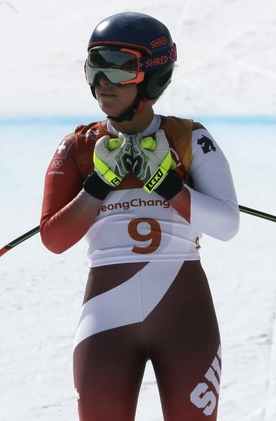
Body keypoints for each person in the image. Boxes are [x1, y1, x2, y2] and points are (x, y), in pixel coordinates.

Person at [40, 11, 239, 421]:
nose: (102, 83)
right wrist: (97, 185)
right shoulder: (78, 146)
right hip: (106, 324)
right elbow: (54, 239)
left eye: (118, 66)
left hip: (185, 320)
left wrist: (169, 186)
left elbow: (227, 225)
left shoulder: (189, 138)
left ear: (152, 77)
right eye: (94, 67)